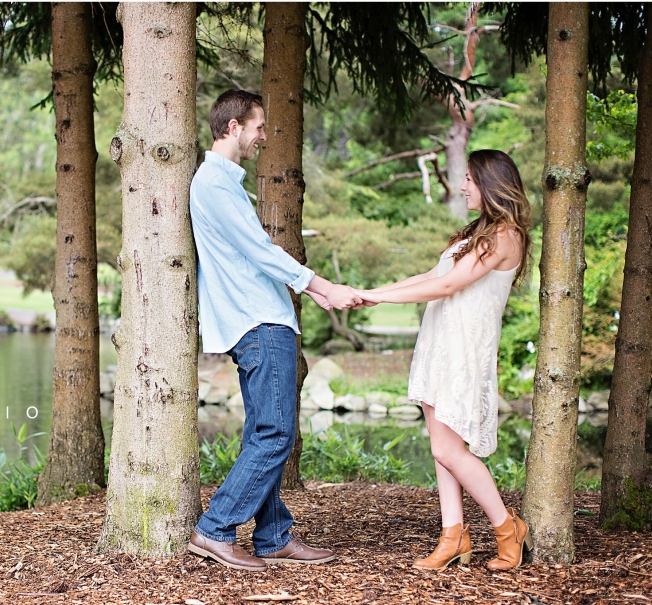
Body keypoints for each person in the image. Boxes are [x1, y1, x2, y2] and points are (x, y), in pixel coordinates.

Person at [187, 89, 362, 571]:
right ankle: (215, 528)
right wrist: (320, 285)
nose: (264, 136)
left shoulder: (223, 182)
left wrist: (317, 293)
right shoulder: (215, 185)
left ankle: (273, 535)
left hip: (260, 317)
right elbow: (260, 251)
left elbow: (255, 251)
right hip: (258, 320)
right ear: (232, 128)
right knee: (275, 431)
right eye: (258, 127)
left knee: (265, 430)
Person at [356, 149, 534, 571]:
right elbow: (432, 278)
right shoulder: (477, 233)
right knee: (441, 450)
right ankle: (453, 535)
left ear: (490, 184)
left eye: (469, 179)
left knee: (448, 448)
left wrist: (378, 296)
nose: (462, 186)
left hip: (464, 350)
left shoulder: (507, 235)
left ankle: (508, 528)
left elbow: (449, 285)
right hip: (439, 344)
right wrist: (372, 294)